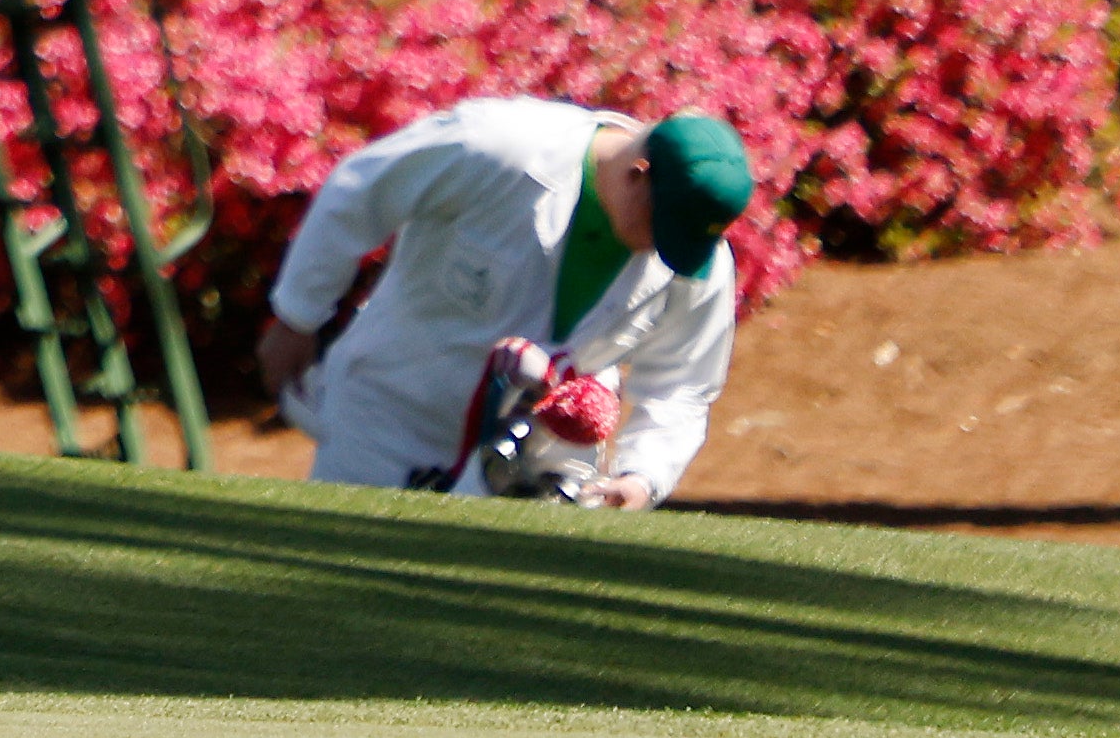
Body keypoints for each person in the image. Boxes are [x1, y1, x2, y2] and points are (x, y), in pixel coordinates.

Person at [255, 98, 753, 506]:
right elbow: (363, 190)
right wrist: (298, 315)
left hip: (537, 466)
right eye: (660, 230)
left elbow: (683, 386)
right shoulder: (499, 144)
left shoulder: (696, 259)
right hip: (389, 418)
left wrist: (642, 477)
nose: (663, 251)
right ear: (636, 173)